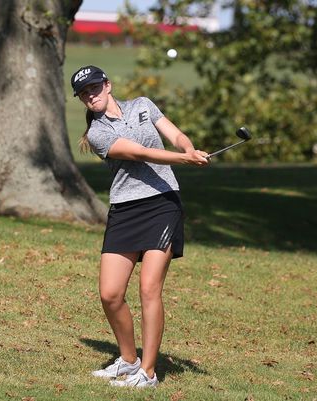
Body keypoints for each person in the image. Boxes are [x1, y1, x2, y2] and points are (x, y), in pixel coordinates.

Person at [71, 65, 210, 388]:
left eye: (94, 88)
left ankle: (147, 372)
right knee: (110, 294)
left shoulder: (143, 106)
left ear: (107, 85)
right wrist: (181, 160)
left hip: (162, 204)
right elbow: (141, 153)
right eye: (84, 93)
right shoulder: (97, 133)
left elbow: (173, 134)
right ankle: (128, 360)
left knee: (149, 289)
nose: (91, 96)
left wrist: (187, 148)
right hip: (125, 209)